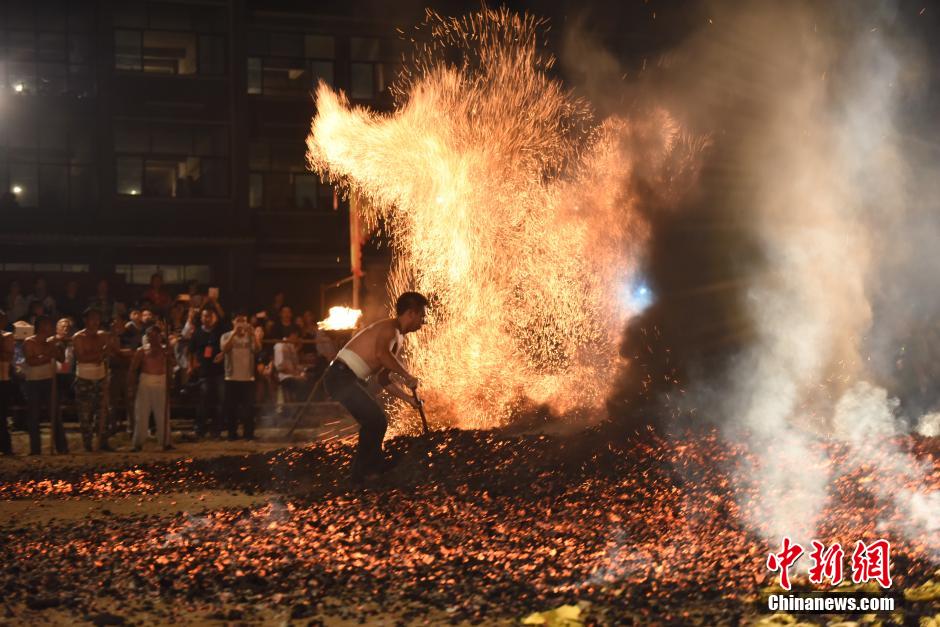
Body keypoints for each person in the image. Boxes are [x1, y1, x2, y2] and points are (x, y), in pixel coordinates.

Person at [323, 292, 428, 481]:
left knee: (375, 421)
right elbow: (382, 354)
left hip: (346, 378)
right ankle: (363, 473)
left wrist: (409, 399)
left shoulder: (399, 337)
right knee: (375, 421)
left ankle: (370, 469)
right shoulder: (390, 329)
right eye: (422, 315)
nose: (424, 321)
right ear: (411, 313)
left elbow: (383, 378)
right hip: (339, 376)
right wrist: (407, 376)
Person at [23, 316, 65, 455]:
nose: (51, 328)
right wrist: (48, 355)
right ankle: (35, 450)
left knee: (55, 414)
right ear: (41, 327)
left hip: (49, 380)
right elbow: (32, 361)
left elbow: (61, 359)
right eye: (48, 325)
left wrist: (59, 348)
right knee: (34, 416)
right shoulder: (29, 342)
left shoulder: (52, 343)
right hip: (33, 382)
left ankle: (62, 447)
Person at [73, 308, 113, 451]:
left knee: (102, 411)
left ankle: (102, 441)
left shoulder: (103, 335)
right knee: (85, 413)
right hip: (84, 377)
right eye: (92, 318)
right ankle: (88, 444)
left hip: (100, 376)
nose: (96, 322)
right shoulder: (79, 337)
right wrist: (99, 354)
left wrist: (100, 354)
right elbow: (82, 357)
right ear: (86, 320)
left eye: (98, 318)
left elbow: (109, 351)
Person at [128, 325, 173, 451]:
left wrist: (170, 382)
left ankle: (165, 441)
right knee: (141, 414)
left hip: (161, 382)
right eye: (149, 336)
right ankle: (138, 442)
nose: (152, 338)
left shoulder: (165, 351)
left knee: (162, 414)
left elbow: (170, 368)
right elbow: (133, 370)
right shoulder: (141, 351)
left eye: (155, 335)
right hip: (145, 383)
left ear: (159, 337)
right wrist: (131, 387)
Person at [221, 312, 261, 440]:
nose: (241, 323)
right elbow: (224, 348)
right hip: (231, 377)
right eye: (238, 320)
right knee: (231, 408)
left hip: (247, 378)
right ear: (233, 322)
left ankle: (249, 434)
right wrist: (234, 333)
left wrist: (254, 334)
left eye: (243, 320)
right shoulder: (226, 335)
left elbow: (257, 349)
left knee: (249, 407)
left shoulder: (250, 337)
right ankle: (232, 434)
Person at [187, 307, 225, 438]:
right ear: (201, 318)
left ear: (215, 317)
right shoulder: (197, 333)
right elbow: (191, 350)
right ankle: (200, 428)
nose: (207, 318)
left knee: (219, 401)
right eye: (204, 316)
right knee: (203, 401)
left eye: (210, 316)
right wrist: (191, 366)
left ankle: (217, 429)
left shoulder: (220, 332)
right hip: (204, 371)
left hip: (219, 371)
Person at [274, 327, 306, 411]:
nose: (297, 338)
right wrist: (296, 375)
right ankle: (296, 411)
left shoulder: (291, 347)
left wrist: (303, 371)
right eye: (296, 336)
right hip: (285, 377)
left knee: (309, 379)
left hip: (293, 374)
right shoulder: (280, 346)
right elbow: (280, 367)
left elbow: (295, 364)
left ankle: (303, 410)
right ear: (292, 335)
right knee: (300, 384)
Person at [0, 310, 15, 455]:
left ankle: (6, 448)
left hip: (2, 380)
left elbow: (7, 357)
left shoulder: (7, 336)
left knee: (2, 415)